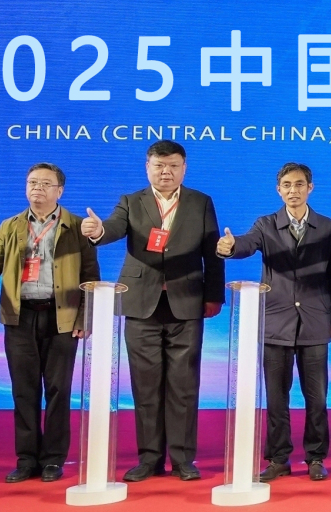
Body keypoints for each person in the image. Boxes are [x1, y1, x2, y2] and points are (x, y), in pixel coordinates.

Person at [80, 140, 225, 482]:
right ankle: (149, 459)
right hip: (141, 303)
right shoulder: (132, 201)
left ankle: (183, 459)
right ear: (148, 168)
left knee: (183, 385)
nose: (166, 172)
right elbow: (113, 227)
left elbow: (212, 252)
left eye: (173, 166)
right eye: (159, 166)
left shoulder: (201, 202)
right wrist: (98, 231)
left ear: (184, 168)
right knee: (145, 386)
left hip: (186, 301)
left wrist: (214, 296)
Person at [0, 163, 99, 484]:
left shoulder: (76, 226)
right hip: (20, 316)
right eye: (32, 182)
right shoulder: (11, 225)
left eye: (45, 183)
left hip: (61, 316)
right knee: (23, 391)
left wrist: (85, 315)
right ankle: (26, 459)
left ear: (59, 191)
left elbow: (90, 276)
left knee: (58, 390)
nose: (37, 188)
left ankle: (53, 459)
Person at [218, 162, 331, 482]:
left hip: (315, 322)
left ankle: (315, 457)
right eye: (287, 185)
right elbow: (247, 243)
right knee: (277, 398)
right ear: (278, 190)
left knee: (317, 398)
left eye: (299, 184)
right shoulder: (266, 225)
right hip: (276, 323)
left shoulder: (327, 227)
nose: (293, 190)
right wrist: (231, 247)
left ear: (310, 188)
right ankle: (278, 458)